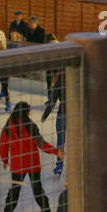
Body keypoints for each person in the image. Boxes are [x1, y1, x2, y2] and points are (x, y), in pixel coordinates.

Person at [0, 102, 59, 212]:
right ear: (26, 113)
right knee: (38, 191)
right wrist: (56, 152)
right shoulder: (31, 126)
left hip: (18, 165)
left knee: (14, 191)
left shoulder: (8, 127)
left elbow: (2, 146)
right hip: (33, 164)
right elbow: (42, 144)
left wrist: (5, 160)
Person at [42, 33, 66, 177]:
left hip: (63, 113)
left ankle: (59, 165)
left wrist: (45, 115)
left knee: (61, 141)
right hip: (76, 113)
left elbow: (52, 101)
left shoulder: (59, 82)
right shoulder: (77, 81)